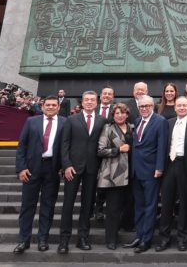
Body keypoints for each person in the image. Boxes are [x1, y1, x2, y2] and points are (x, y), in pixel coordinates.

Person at [13, 96, 65, 253]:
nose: (50, 107)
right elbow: (22, 146)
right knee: (27, 206)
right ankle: (24, 240)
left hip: (52, 169)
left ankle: (43, 239)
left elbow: (66, 146)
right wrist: (21, 168)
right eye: (47, 105)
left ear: (58, 107)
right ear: (42, 107)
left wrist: (64, 165)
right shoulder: (31, 122)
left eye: (53, 105)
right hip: (31, 169)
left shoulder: (65, 122)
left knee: (48, 207)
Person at [58, 91, 106, 254]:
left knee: (88, 205)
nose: (90, 102)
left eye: (93, 100)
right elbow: (64, 144)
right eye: (87, 100)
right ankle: (64, 239)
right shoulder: (71, 120)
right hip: (72, 168)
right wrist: (66, 165)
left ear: (97, 102)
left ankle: (82, 237)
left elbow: (102, 145)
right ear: (82, 102)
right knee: (68, 204)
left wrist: (101, 167)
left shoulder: (102, 120)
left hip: (93, 169)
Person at [157, 97, 187, 252]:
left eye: (184, 105)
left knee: (184, 204)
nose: (181, 108)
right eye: (179, 105)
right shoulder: (168, 123)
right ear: (175, 108)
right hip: (169, 165)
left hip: (186, 166)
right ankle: (164, 238)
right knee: (166, 204)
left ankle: (182, 239)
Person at [124, 95, 168, 253]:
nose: (144, 109)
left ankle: (146, 240)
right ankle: (139, 235)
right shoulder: (137, 121)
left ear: (152, 106)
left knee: (150, 206)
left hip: (151, 171)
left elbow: (162, 145)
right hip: (136, 170)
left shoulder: (160, 121)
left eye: (147, 106)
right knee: (139, 205)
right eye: (141, 106)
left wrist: (159, 167)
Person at [96, 103, 133, 250]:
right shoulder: (108, 128)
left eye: (123, 113)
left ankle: (126, 228)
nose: (120, 115)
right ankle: (111, 239)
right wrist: (118, 149)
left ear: (127, 114)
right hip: (113, 174)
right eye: (117, 113)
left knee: (127, 204)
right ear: (113, 115)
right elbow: (100, 150)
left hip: (131, 172)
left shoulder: (133, 128)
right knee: (112, 208)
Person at [94, 86, 115, 221]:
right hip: (92, 153)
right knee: (93, 184)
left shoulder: (116, 111)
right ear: (100, 96)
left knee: (105, 183)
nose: (107, 95)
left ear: (113, 97)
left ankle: (100, 209)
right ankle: (92, 209)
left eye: (109, 94)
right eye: (104, 93)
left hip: (109, 153)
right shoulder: (93, 109)